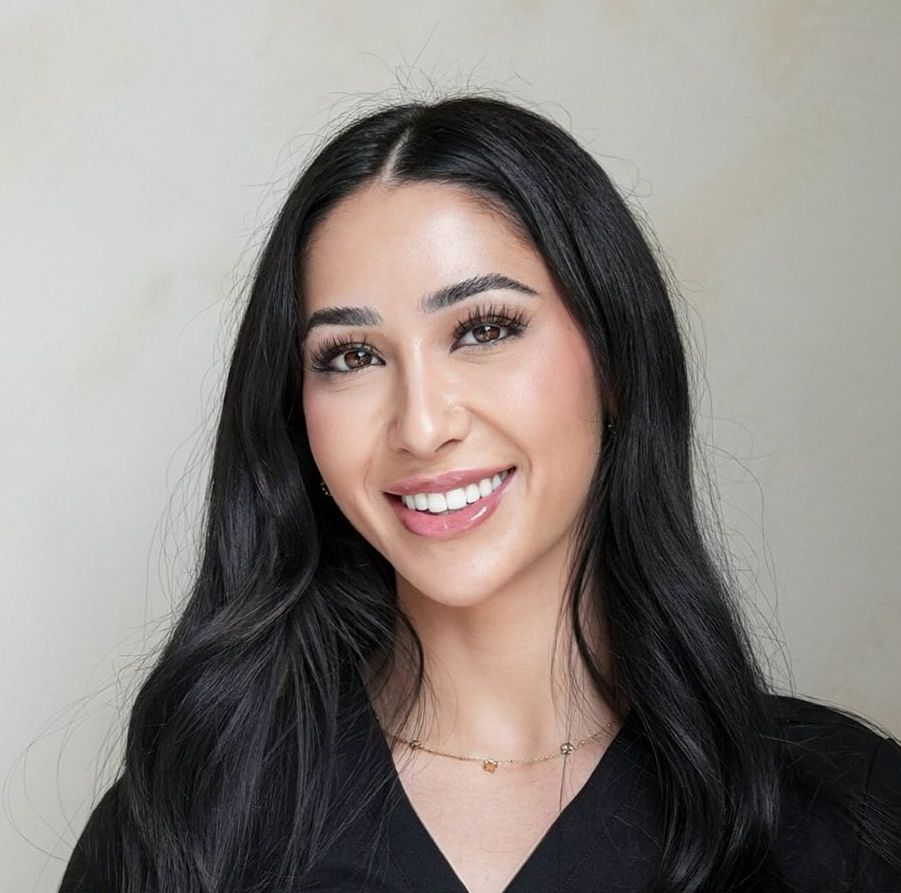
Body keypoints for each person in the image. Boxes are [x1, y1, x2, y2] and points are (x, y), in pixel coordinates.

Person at [59, 94, 900, 893]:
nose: (421, 425)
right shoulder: (185, 822)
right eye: (351, 355)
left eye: (484, 329)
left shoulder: (843, 811)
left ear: (612, 361)